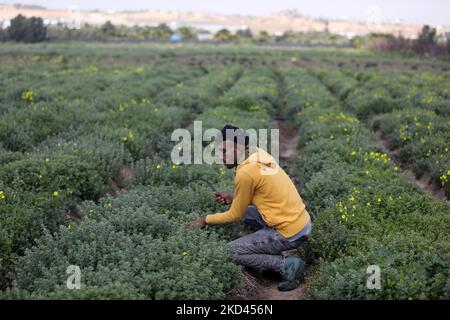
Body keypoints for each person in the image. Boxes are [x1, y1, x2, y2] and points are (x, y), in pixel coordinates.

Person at [187, 124, 312, 291]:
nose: (220, 156)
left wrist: (204, 220)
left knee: (230, 252)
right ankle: (271, 256)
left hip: (288, 232)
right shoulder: (257, 154)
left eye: (224, 151)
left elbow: (234, 216)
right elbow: (266, 194)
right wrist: (234, 198)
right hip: (300, 222)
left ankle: (286, 265)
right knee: (247, 213)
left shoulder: (245, 173)